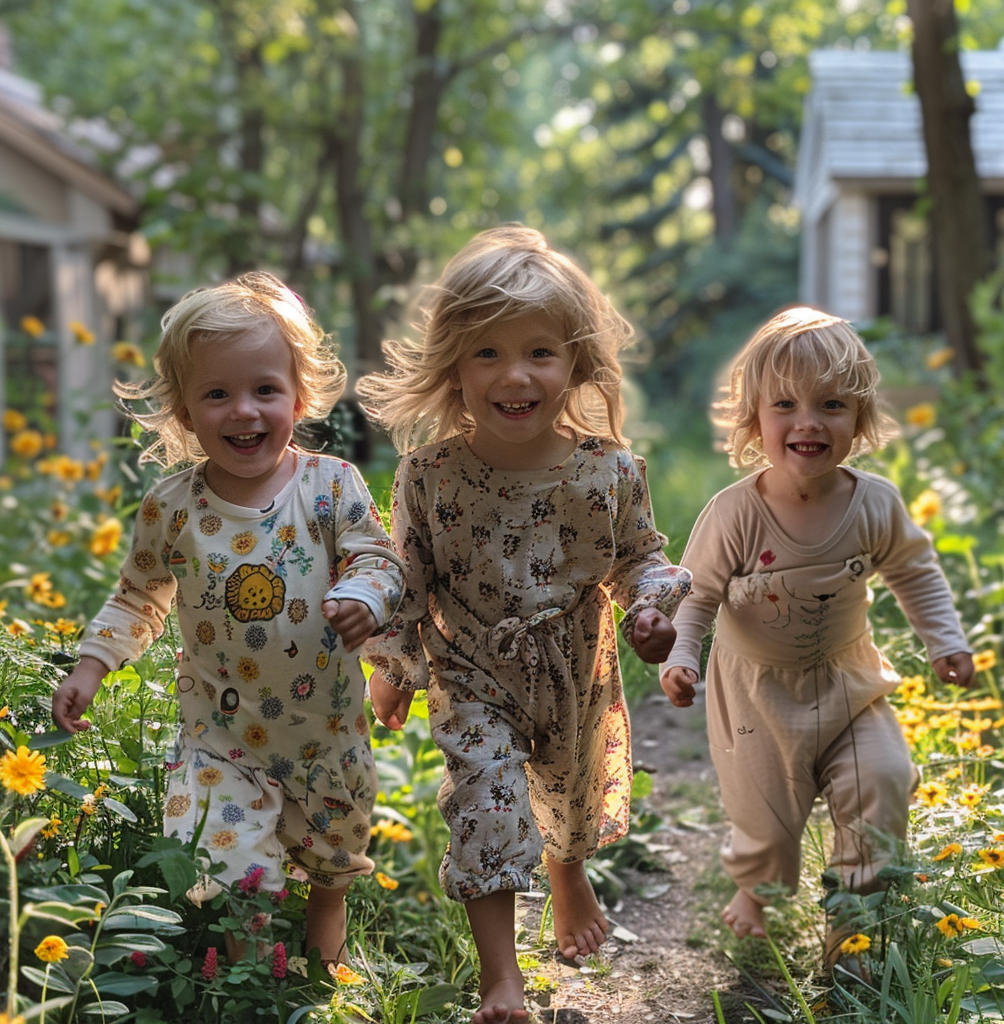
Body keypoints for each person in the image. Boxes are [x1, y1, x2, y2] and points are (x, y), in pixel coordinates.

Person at [356, 225, 692, 1023]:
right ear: (453, 368)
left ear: (575, 362)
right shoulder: (428, 474)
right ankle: (500, 980)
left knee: (567, 796)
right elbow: (407, 572)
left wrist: (652, 611)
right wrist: (392, 666)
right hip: (469, 663)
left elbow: (640, 556)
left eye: (539, 352)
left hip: (574, 662)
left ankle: (568, 870)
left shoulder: (608, 470)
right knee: (486, 801)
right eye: (487, 354)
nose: (515, 374)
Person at [52, 272, 406, 969]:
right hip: (221, 737)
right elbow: (137, 595)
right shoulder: (172, 507)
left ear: (298, 396)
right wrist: (91, 666)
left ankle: (324, 977)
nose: (243, 411)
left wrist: (365, 598)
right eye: (217, 393)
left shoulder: (331, 486)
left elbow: (379, 559)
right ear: (184, 411)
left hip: (327, 733)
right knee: (238, 876)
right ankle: (254, 987)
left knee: (334, 866)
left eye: (264, 390)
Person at [659, 306, 974, 960]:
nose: (808, 421)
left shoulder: (875, 503)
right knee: (768, 825)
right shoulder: (735, 513)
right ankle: (757, 888)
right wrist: (682, 654)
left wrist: (945, 639)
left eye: (831, 404)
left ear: (859, 419)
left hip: (847, 680)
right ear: (754, 421)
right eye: (785, 404)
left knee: (882, 778)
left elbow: (916, 571)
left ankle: (856, 936)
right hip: (755, 694)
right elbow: (696, 597)